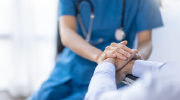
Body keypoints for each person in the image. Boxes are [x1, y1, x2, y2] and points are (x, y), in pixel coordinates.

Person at [27, 0, 163, 99]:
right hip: (71, 66)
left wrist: (134, 57)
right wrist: (101, 57)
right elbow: (66, 33)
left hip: (115, 71)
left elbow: (145, 42)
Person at [85, 55, 180, 100]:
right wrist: (130, 65)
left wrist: (107, 62)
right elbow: (170, 70)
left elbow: (96, 98)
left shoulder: (165, 87)